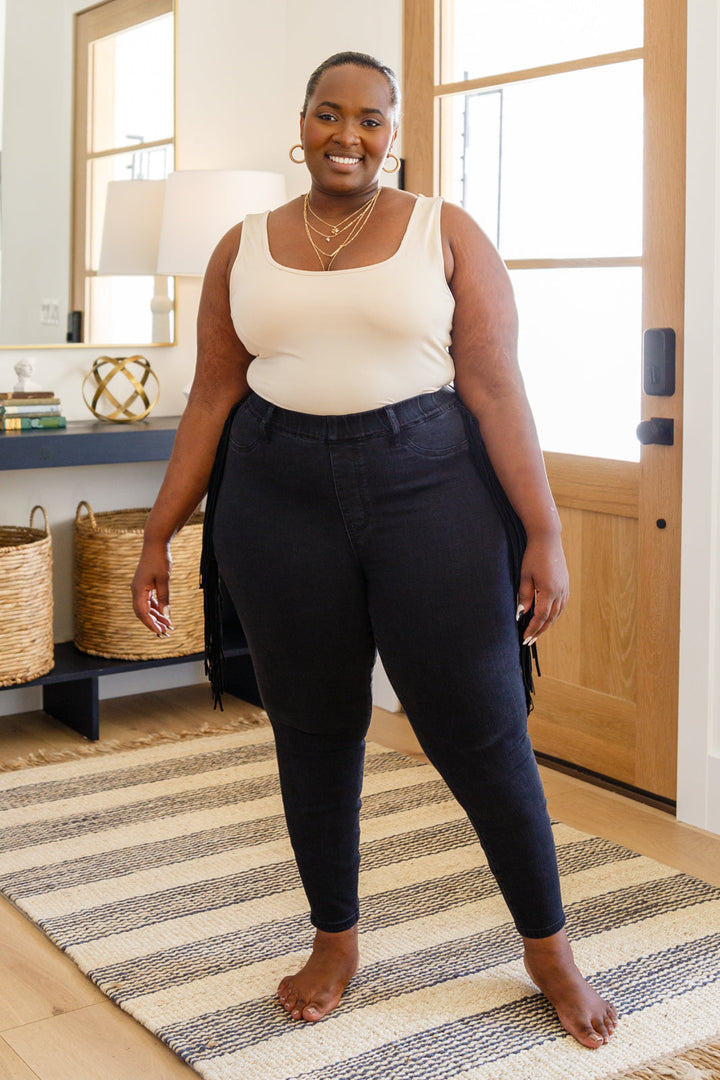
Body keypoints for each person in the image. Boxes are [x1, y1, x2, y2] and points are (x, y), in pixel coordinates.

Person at [131, 50, 618, 1049]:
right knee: (313, 729)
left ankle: (550, 951)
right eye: (328, 113)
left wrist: (545, 530)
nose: (346, 134)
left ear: (392, 135)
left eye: (369, 119)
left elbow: (495, 387)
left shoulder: (447, 231)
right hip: (275, 495)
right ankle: (336, 940)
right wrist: (157, 533)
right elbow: (212, 393)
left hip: (431, 489)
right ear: (302, 124)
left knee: (481, 728)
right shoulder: (241, 246)